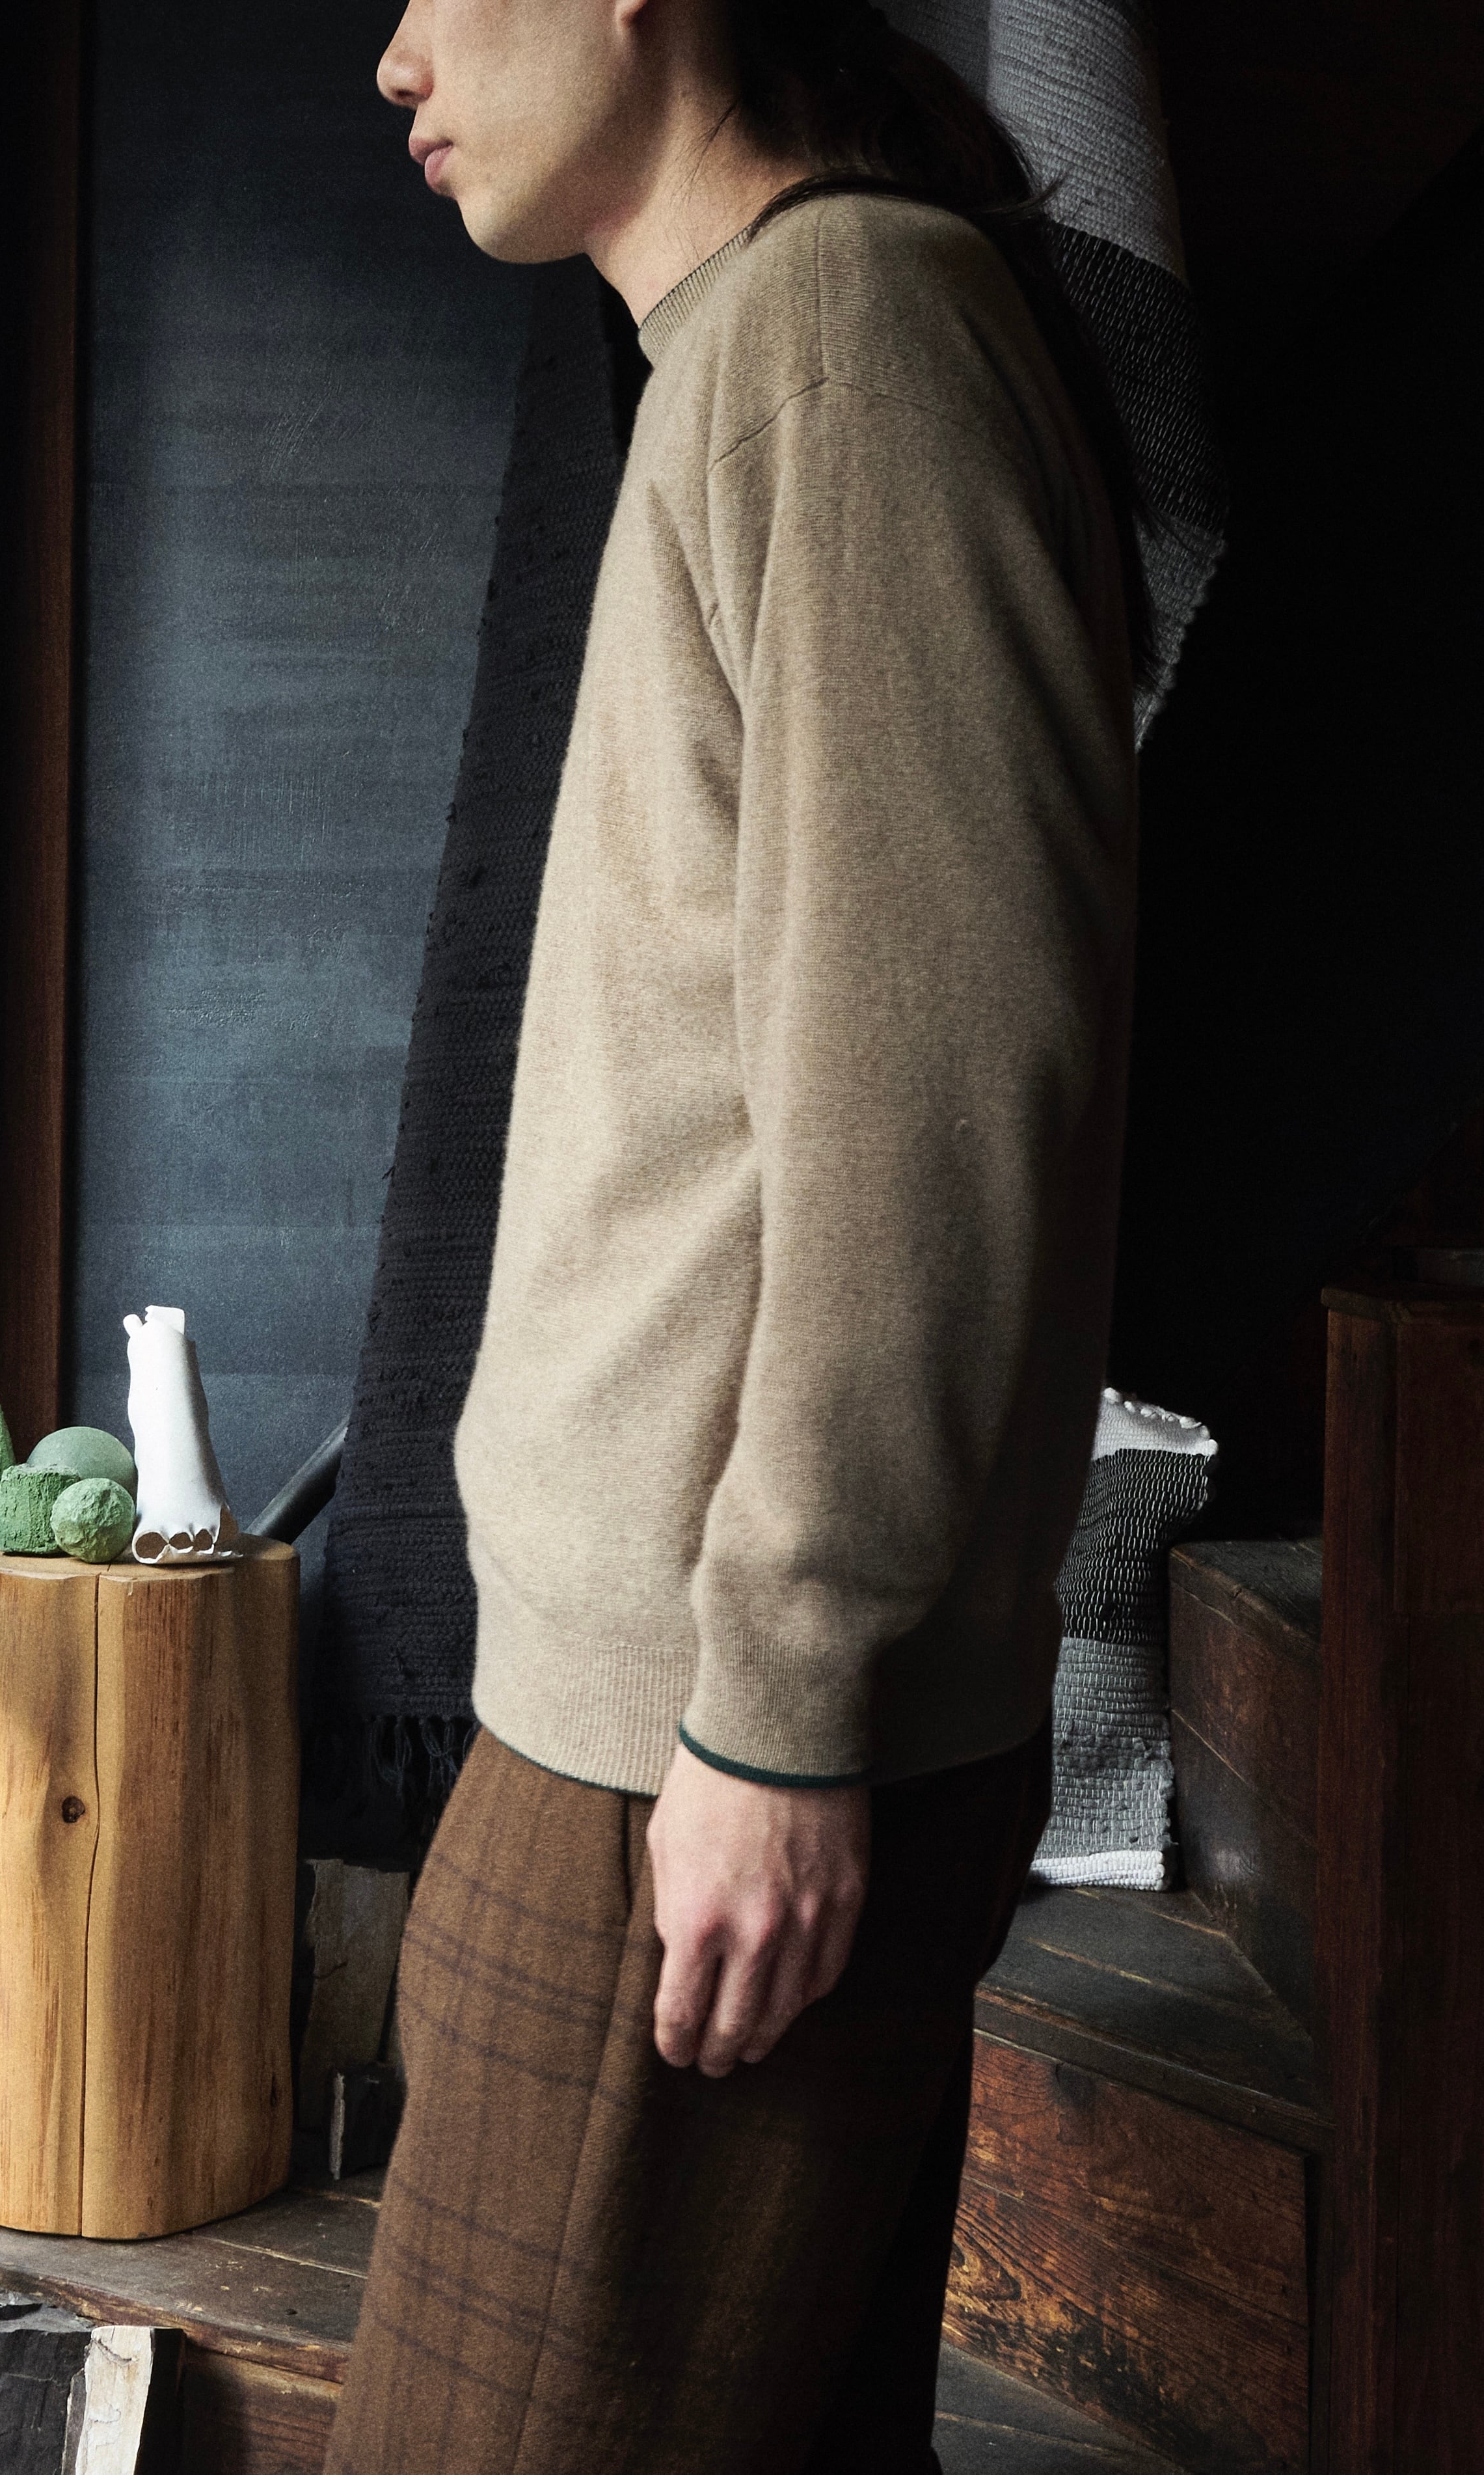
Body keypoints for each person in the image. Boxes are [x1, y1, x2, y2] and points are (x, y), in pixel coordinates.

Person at [327, 1, 1142, 2468]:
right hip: (668, 1732)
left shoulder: (845, 334)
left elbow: (933, 1087)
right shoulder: (777, 344)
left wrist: (779, 1710)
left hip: (686, 1756)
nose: (393, 58)